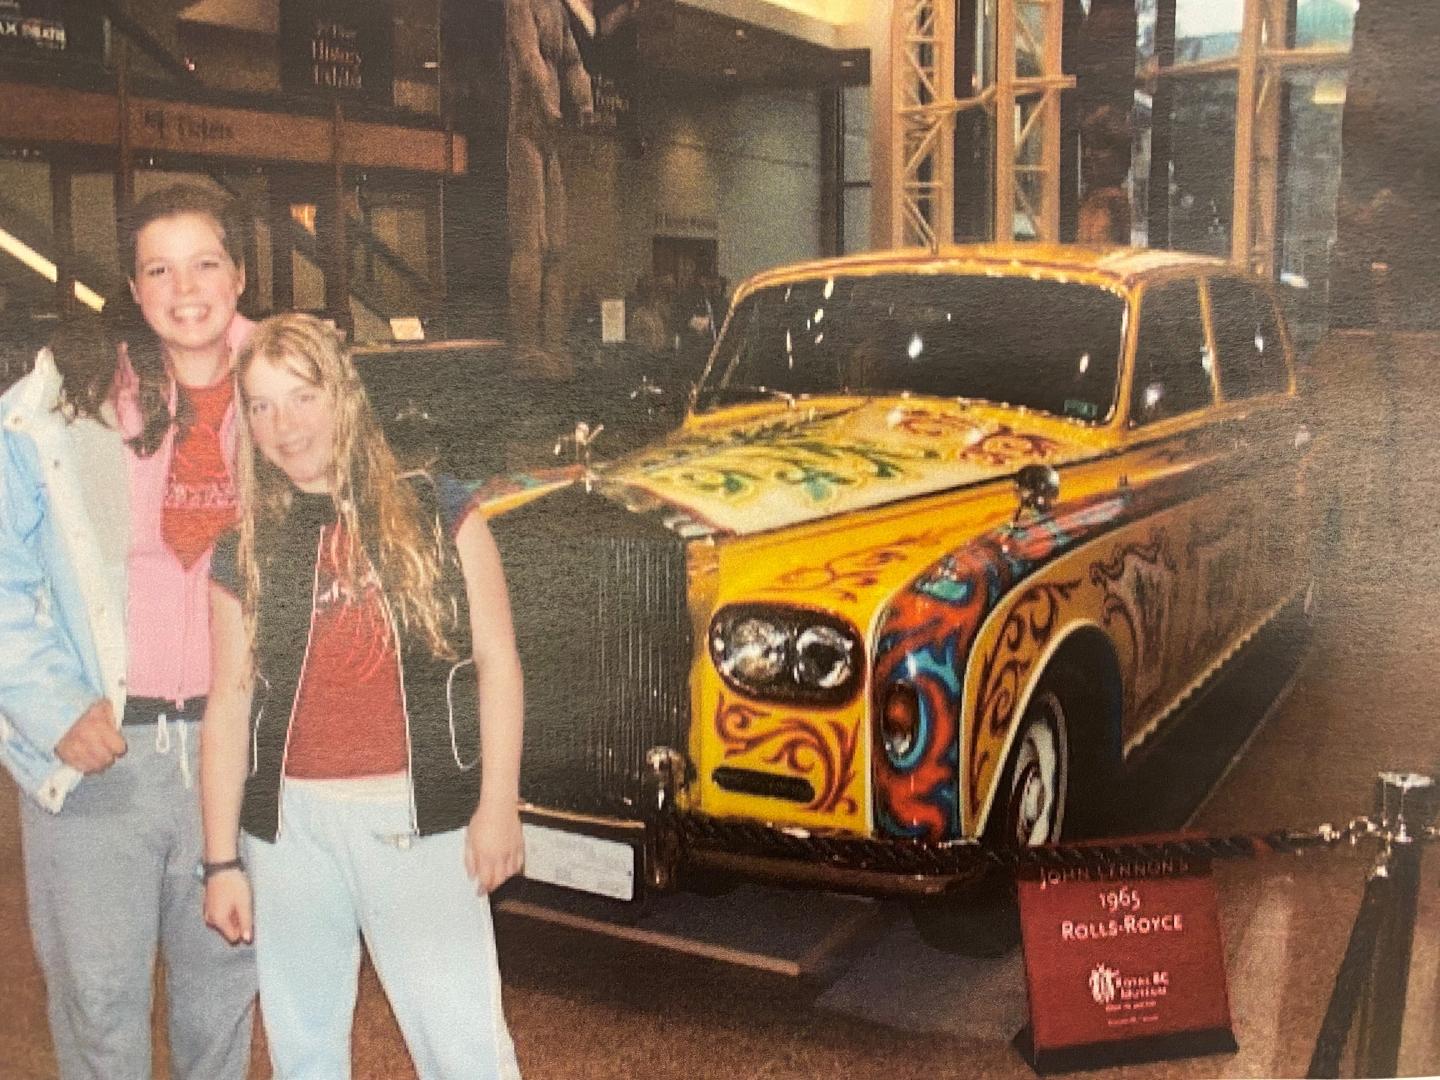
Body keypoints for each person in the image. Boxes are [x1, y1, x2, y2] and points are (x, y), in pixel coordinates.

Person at [200, 313, 525, 1079]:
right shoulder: (243, 545)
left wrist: (498, 804)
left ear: (343, 394)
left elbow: (498, 662)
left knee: (466, 1050)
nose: (284, 425)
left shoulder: (440, 511)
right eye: (262, 405)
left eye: (302, 396)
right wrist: (221, 863)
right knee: (303, 1048)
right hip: (288, 834)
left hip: (417, 819)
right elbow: (228, 704)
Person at [0, 183, 257, 1078]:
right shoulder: (66, 404)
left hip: (236, 755)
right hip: (103, 752)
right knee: (101, 1008)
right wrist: (51, 704)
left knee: (222, 1000)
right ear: (137, 291)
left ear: (241, 274)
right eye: (159, 268)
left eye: (205, 262)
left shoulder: (288, 391)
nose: (185, 288)